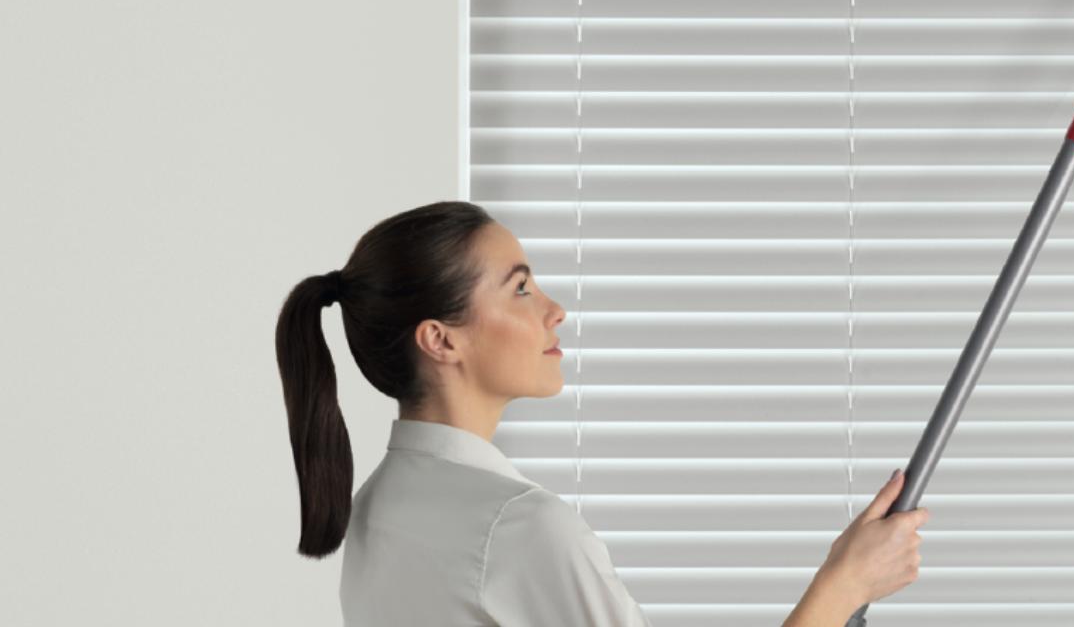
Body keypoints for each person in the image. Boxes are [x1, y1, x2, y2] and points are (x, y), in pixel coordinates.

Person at [275, 200, 928, 626]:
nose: (554, 310)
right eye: (521, 288)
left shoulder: (377, 511)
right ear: (440, 340)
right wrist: (842, 586)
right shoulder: (519, 528)